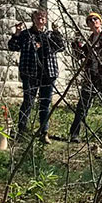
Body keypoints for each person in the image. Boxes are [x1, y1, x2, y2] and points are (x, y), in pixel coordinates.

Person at [8, 8, 66, 143]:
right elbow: (13, 46)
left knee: (45, 103)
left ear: (46, 20)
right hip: (30, 73)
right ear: (33, 20)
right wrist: (16, 33)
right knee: (28, 102)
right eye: (38, 18)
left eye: (43, 18)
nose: (41, 20)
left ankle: (44, 132)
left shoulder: (50, 35)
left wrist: (57, 32)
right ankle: (21, 130)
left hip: (48, 73)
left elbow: (61, 47)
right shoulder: (26, 34)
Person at [68, 12, 102, 142]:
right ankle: (75, 134)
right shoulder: (89, 40)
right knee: (82, 105)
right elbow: (80, 55)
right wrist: (76, 43)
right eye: (90, 20)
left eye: (95, 19)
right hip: (91, 76)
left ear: (100, 22)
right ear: (88, 25)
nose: (93, 21)